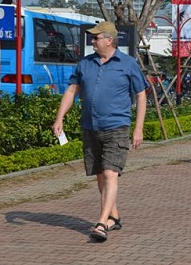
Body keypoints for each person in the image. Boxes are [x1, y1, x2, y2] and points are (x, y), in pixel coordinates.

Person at [51, 22, 148, 242]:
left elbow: (141, 94)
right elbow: (72, 90)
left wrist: (138, 128)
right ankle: (114, 216)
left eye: (96, 38)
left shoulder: (128, 64)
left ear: (109, 40)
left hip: (117, 126)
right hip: (90, 126)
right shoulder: (85, 63)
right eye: (92, 38)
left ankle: (102, 222)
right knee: (99, 175)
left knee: (110, 173)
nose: (92, 42)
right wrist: (59, 118)